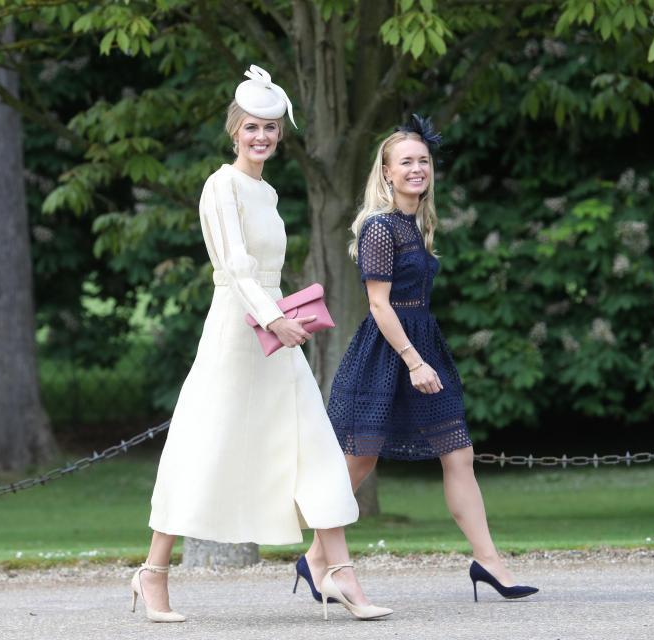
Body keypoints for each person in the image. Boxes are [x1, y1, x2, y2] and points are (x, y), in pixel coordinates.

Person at [131, 65, 393, 623]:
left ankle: (339, 574)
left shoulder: (268, 190)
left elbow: (267, 270)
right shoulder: (220, 185)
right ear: (235, 130)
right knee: (204, 446)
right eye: (253, 127)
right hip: (237, 332)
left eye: (271, 128)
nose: (262, 137)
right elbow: (233, 266)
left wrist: (283, 316)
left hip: (277, 332)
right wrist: (274, 319)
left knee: (315, 444)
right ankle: (153, 574)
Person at [300, 115, 538, 603]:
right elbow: (379, 305)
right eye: (405, 161)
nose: (416, 169)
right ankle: (317, 558)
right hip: (389, 354)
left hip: (422, 345)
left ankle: (488, 561)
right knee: (357, 462)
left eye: (423, 161)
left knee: (459, 452)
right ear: (386, 172)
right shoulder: (381, 229)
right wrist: (413, 360)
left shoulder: (416, 223)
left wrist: (422, 355)